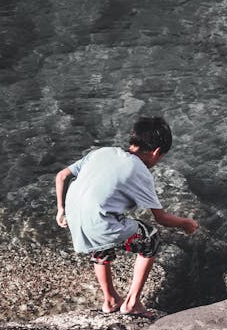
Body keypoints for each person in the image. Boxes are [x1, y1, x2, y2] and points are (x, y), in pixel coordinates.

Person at [54, 116, 198, 316]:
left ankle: (110, 299)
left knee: (101, 239)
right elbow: (161, 218)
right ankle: (132, 303)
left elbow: (61, 176)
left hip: (76, 219)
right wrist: (186, 223)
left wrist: (61, 209)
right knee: (151, 238)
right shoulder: (140, 171)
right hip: (99, 223)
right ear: (156, 152)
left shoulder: (102, 152)